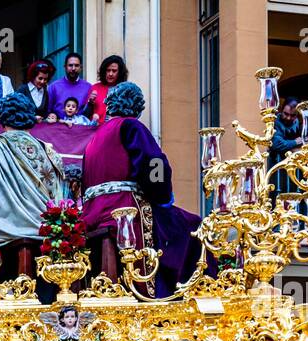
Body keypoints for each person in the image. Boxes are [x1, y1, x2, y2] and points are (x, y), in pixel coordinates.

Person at [81, 82, 204, 297]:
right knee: (192, 225)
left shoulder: (95, 138)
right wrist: (162, 195)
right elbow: (154, 163)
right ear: (137, 107)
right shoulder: (131, 126)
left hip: (93, 213)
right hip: (125, 208)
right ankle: (176, 292)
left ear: (110, 105)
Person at [0, 91, 66, 283]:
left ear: (2, 118)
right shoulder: (48, 151)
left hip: (9, 231)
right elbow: (61, 195)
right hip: (48, 232)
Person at [87, 55, 128, 125]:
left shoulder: (125, 89)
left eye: (114, 71)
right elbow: (85, 116)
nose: (110, 74)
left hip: (117, 129)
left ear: (120, 72)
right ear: (103, 71)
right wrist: (90, 103)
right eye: (108, 70)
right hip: (97, 130)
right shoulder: (95, 88)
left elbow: (131, 115)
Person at [48, 53, 92, 118]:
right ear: (65, 67)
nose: (73, 68)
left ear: (81, 67)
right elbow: (48, 110)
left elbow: (90, 111)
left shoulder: (88, 87)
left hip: (80, 126)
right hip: (58, 125)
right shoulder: (54, 86)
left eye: (76, 65)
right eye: (70, 65)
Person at [269, 97, 302, 166]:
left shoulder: (297, 122)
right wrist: (295, 142)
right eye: (286, 114)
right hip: (276, 163)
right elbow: (276, 144)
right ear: (281, 110)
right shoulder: (274, 121)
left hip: (294, 164)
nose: (288, 118)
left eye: (293, 115)